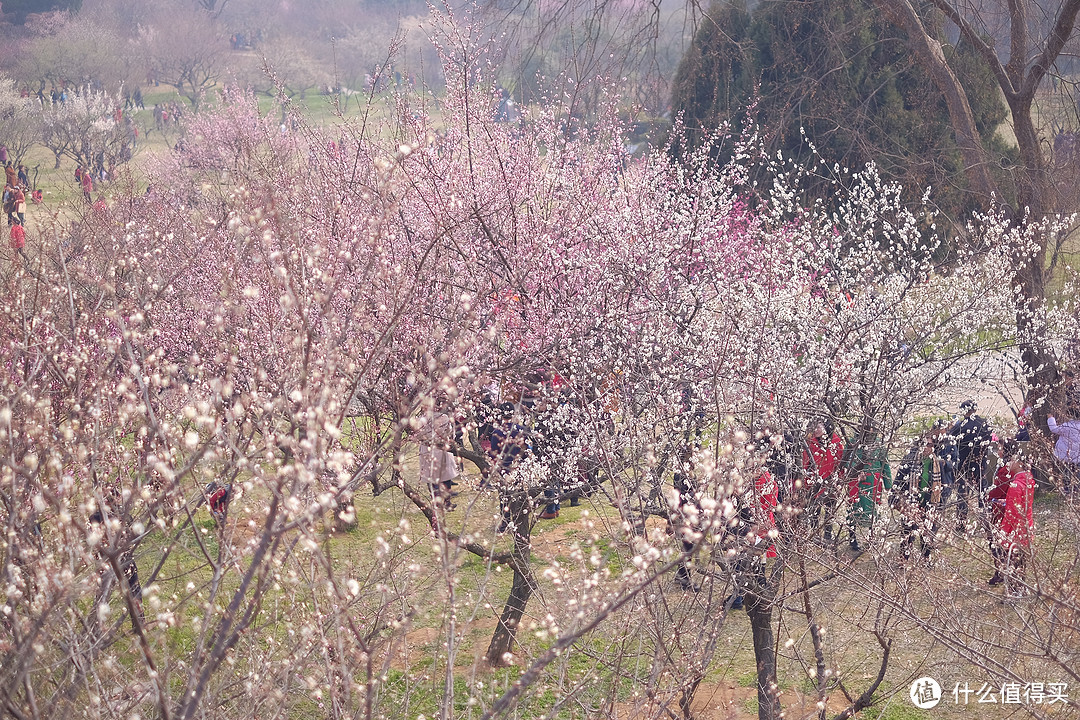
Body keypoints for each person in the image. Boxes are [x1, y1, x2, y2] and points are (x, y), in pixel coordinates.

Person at [992, 442, 1035, 599]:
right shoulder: (1028, 479)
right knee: (1021, 561)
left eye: (1012, 461)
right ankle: (1021, 589)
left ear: (1018, 463)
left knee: (1012, 562)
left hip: (1014, 530)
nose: (1008, 464)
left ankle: (1014, 591)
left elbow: (1011, 513)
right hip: (1026, 525)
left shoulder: (1016, 484)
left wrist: (1004, 533)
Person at [893, 435, 944, 564]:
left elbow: (942, 485)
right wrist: (896, 498)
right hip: (911, 501)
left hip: (929, 502)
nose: (927, 448)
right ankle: (903, 559)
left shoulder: (937, 463)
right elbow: (899, 480)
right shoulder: (910, 460)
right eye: (925, 445)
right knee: (907, 531)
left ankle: (926, 558)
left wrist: (938, 503)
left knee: (926, 531)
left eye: (930, 445)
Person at [844, 434, 892, 552]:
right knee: (853, 508)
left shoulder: (879, 444)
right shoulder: (852, 442)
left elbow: (885, 464)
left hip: (873, 482)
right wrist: (855, 470)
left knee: (873, 508)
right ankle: (852, 538)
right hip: (855, 481)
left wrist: (888, 484)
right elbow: (845, 460)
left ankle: (872, 537)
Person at [952, 400, 992, 529]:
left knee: (963, 493)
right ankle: (985, 520)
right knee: (982, 491)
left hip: (964, 463)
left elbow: (950, 439)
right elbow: (990, 439)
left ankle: (961, 522)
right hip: (980, 461)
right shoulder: (984, 424)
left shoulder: (960, 427)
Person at [801, 419, 844, 540]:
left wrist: (839, 480)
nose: (815, 430)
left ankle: (828, 534)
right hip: (814, 481)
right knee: (815, 508)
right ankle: (815, 534)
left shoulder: (836, 442)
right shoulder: (810, 442)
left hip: (831, 480)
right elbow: (805, 462)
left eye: (819, 427)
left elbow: (841, 462)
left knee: (830, 509)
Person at [1047, 412, 1080, 494]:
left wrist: (1051, 418)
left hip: (1066, 454)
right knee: (1078, 472)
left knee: (1066, 472)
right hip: (1078, 454)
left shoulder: (1067, 425)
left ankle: (1068, 490)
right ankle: (1077, 489)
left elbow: (1054, 429)